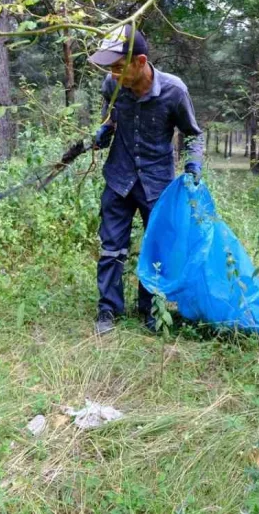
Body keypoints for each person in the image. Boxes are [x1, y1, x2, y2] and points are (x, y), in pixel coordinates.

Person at [88, 25, 204, 336]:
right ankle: (108, 310)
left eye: (117, 67)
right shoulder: (111, 86)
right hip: (119, 178)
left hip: (157, 185)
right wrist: (105, 130)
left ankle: (151, 309)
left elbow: (193, 135)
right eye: (109, 68)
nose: (113, 74)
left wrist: (193, 167)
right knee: (112, 247)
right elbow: (110, 116)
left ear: (140, 61)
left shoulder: (174, 91)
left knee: (156, 249)